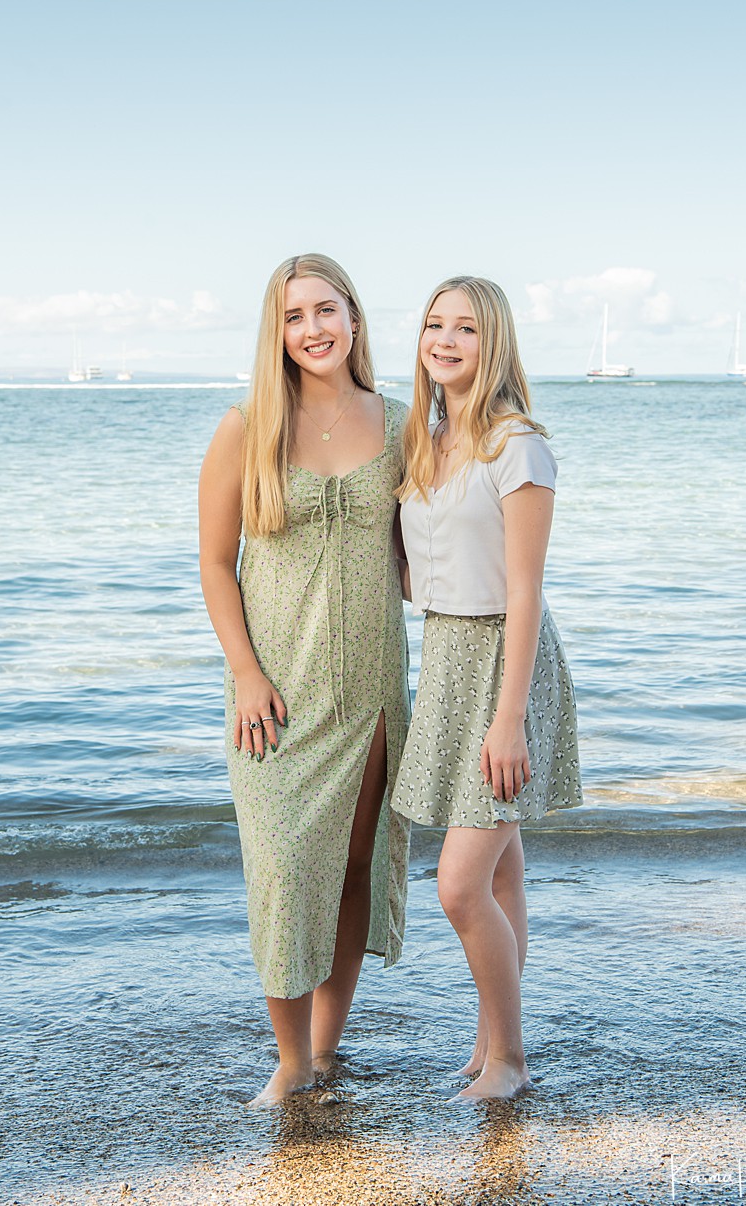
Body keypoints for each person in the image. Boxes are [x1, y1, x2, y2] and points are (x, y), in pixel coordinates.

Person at [199, 253, 411, 1107]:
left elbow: (428, 549)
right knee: (286, 868)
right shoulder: (245, 428)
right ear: (277, 332)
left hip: (370, 688)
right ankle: (288, 1061)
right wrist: (246, 673)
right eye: (295, 316)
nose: (314, 329)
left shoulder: (402, 426)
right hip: (274, 696)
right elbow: (216, 565)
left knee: (353, 867)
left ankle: (327, 1050)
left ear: (355, 319)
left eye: (328, 310)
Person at [392, 275, 581, 1101]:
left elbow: (525, 591)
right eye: (436, 325)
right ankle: (490, 1037)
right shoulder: (423, 443)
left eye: (465, 328)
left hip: (508, 663)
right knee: (502, 873)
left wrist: (510, 721)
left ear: (492, 342)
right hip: (444, 652)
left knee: (460, 883)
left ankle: (509, 1059)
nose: (446, 340)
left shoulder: (519, 445)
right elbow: (421, 572)